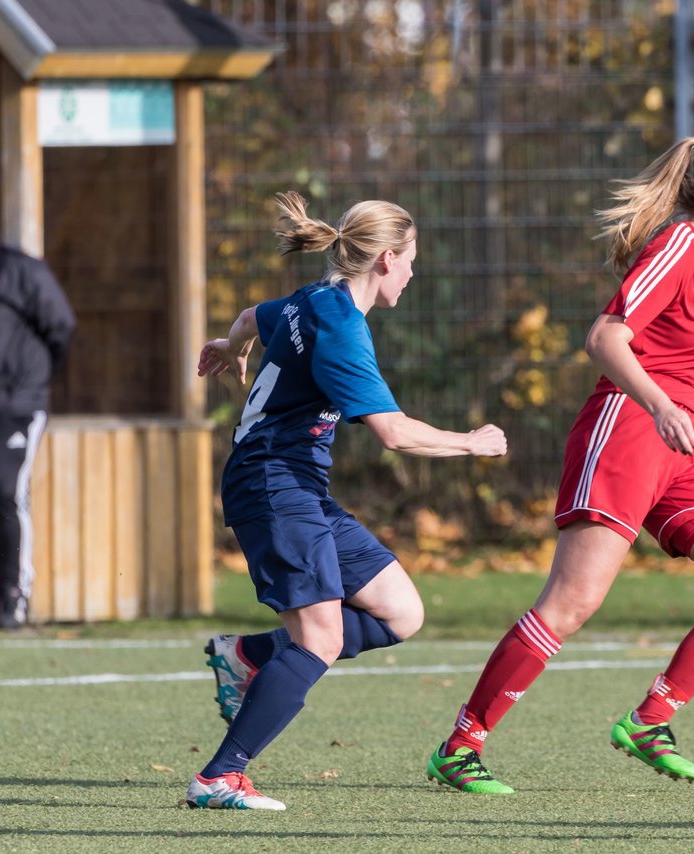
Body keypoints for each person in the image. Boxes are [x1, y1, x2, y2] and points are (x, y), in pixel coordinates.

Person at [424, 137, 694, 794]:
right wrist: (657, 404)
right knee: (572, 602)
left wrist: (674, 417)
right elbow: (604, 337)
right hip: (627, 430)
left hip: (677, 455)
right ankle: (461, 745)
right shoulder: (678, 245)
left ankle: (651, 720)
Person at [186, 191, 507, 810]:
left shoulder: (313, 299)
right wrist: (470, 443)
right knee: (320, 640)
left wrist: (232, 347)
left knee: (401, 613)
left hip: (299, 486)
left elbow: (253, 314)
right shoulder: (341, 329)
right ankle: (219, 777)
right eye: (412, 258)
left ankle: (246, 655)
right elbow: (392, 431)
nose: (414, 272)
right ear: (386, 258)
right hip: (273, 485)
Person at [0, 191, 76, 629]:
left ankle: (12, 599)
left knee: (5, 492)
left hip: (14, 405)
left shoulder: (19, 269)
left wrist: (28, 380)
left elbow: (60, 326)